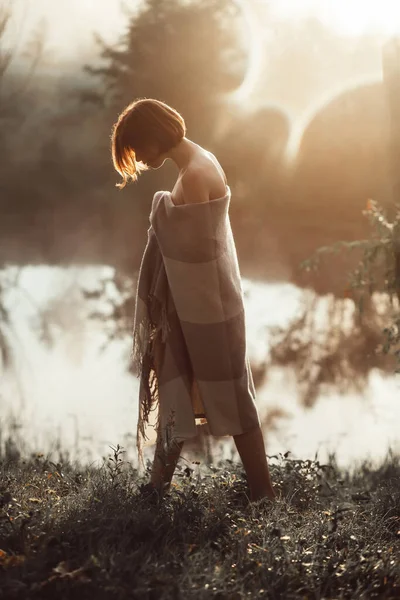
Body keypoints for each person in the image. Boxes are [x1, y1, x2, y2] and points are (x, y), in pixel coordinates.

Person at [111, 98, 277, 504]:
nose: (137, 157)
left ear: (153, 136)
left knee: (234, 395)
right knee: (176, 392)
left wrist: (160, 209)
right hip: (193, 305)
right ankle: (155, 491)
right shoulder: (198, 163)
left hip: (208, 308)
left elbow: (199, 250)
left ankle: (263, 494)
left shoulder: (198, 172)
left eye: (136, 147)